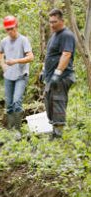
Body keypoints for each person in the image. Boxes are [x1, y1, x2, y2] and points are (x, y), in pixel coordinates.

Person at [41, 8, 76, 139]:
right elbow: (50, 55)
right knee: (49, 101)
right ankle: (54, 130)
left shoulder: (67, 35)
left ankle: (58, 135)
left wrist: (57, 73)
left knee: (58, 101)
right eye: (50, 22)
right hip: (51, 77)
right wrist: (44, 71)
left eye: (54, 22)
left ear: (62, 20)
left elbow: (66, 54)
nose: (52, 25)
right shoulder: (54, 35)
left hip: (63, 76)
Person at [0, 15, 34, 130]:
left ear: (16, 27)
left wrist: (16, 61)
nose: (10, 31)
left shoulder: (23, 40)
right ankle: (10, 129)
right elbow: (0, 53)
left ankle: (17, 131)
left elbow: (31, 57)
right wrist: (3, 64)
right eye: (7, 29)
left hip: (21, 75)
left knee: (16, 102)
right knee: (9, 105)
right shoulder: (4, 41)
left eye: (11, 28)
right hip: (8, 76)